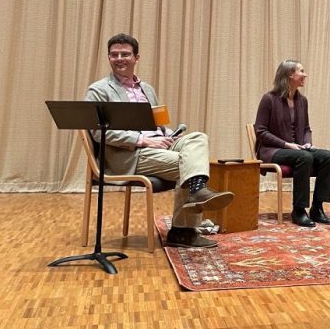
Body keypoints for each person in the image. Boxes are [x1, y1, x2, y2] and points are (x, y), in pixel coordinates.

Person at [85, 33, 233, 249]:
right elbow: (100, 133)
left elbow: (157, 124)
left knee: (198, 138)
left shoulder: (147, 89)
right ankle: (183, 230)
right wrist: (143, 140)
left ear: (137, 58)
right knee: (189, 166)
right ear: (108, 58)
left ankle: (196, 192)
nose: (119, 58)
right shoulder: (98, 90)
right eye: (114, 54)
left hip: (156, 143)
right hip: (127, 154)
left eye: (125, 54)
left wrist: (170, 135)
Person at [254, 60, 330, 228]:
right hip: (273, 150)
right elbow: (261, 131)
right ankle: (298, 210)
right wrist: (287, 144)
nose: (305, 75)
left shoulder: (302, 100)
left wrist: (307, 143)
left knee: (329, 156)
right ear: (290, 75)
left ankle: (317, 208)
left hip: (298, 149)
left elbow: (306, 128)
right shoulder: (269, 99)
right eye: (302, 71)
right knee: (304, 158)